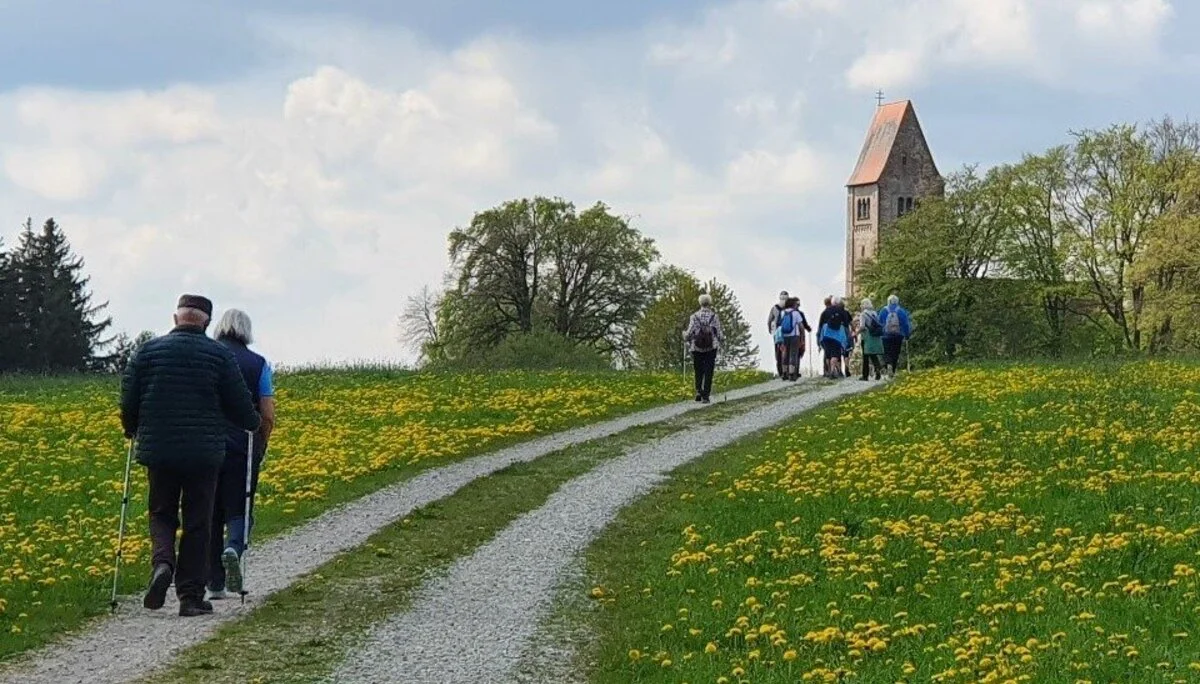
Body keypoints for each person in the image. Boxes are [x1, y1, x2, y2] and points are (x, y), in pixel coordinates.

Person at [120, 295, 261, 617]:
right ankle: (190, 596)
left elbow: (129, 398)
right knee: (199, 522)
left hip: (160, 450)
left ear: (175, 318)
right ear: (207, 322)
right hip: (204, 453)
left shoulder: (147, 352)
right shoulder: (219, 355)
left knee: (161, 512)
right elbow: (240, 406)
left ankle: (163, 564)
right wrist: (253, 423)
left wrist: (131, 428)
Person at [207, 309, 277, 600]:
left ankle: (215, 584)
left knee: (210, 512)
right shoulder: (258, 364)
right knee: (241, 506)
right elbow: (267, 412)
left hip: (206, 445)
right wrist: (262, 442)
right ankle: (234, 546)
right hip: (243, 445)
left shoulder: (207, 356)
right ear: (246, 331)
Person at [684, 293, 723, 404]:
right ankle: (706, 395)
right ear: (709, 303)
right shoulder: (714, 316)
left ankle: (698, 391)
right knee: (708, 371)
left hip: (696, 347)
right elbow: (719, 333)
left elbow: (689, 332)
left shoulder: (694, 316)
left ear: (700, 303)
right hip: (711, 347)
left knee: (698, 370)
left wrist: (685, 336)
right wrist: (721, 339)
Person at [879, 294, 913, 377]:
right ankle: (893, 371)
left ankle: (888, 364)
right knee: (896, 352)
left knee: (886, 352)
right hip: (898, 335)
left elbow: (879, 323)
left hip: (886, 335)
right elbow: (905, 324)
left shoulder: (883, 310)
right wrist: (907, 334)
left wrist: (880, 333)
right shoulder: (900, 311)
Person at [778, 297, 810, 381]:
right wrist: (802, 337)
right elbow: (801, 326)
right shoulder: (796, 313)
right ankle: (791, 374)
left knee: (785, 354)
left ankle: (784, 373)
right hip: (794, 336)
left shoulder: (782, 313)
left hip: (784, 336)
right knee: (793, 354)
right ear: (793, 305)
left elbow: (779, 325)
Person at [818, 297, 850, 378]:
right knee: (835, 354)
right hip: (836, 336)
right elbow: (846, 324)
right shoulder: (841, 311)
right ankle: (832, 371)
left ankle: (828, 371)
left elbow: (820, 324)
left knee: (828, 354)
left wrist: (819, 337)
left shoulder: (826, 311)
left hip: (826, 335)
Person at [858, 298, 884, 381]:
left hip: (867, 336)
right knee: (873, 354)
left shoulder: (863, 314)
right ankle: (878, 368)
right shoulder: (874, 313)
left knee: (865, 356)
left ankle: (865, 376)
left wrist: (857, 332)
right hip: (875, 336)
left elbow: (862, 326)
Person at [767, 290, 790, 378]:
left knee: (778, 351)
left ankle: (780, 371)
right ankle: (787, 370)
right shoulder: (790, 308)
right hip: (787, 332)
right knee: (787, 350)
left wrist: (770, 329)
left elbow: (769, 320)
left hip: (777, 333)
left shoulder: (774, 308)